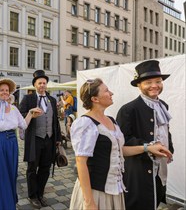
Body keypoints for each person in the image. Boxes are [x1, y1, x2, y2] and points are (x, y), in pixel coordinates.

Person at [70, 78, 172, 210]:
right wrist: (89, 202)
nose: (111, 93)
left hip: (116, 189)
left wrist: (148, 147)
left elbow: (120, 150)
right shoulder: (85, 123)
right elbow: (80, 162)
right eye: (107, 91)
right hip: (96, 190)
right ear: (95, 99)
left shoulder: (111, 121)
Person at [0, 78, 42, 210]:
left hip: (11, 146)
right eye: (2, 90)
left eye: (7, 90)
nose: (5, 92)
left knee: (10, 175)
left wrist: (30, 113)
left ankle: (8, 204)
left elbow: (23, 125)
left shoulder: (13, 109)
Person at [116, 60, 174, 210]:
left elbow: (165, 131)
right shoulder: (128, 109)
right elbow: (122, 142)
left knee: (154, 201)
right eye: (148, 82)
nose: (155, 85)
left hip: (160, 168)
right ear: (138, 85)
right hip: (138, 170)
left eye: (158, 81)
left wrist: (169, 149)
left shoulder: (164, 105)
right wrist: (150, 147)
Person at [19, 70, 62, 209]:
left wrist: (58, 138)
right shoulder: (28, 99)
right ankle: (32, 195)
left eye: (44, 83)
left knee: (45, 168)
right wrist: (31, 113)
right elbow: (20, 116)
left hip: (49, 139)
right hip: (35, 138)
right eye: (40, 83)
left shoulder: (52, 99)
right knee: (32, 168)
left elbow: (55, 120)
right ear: (35, 85)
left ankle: (40, 193)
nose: (42, 85)